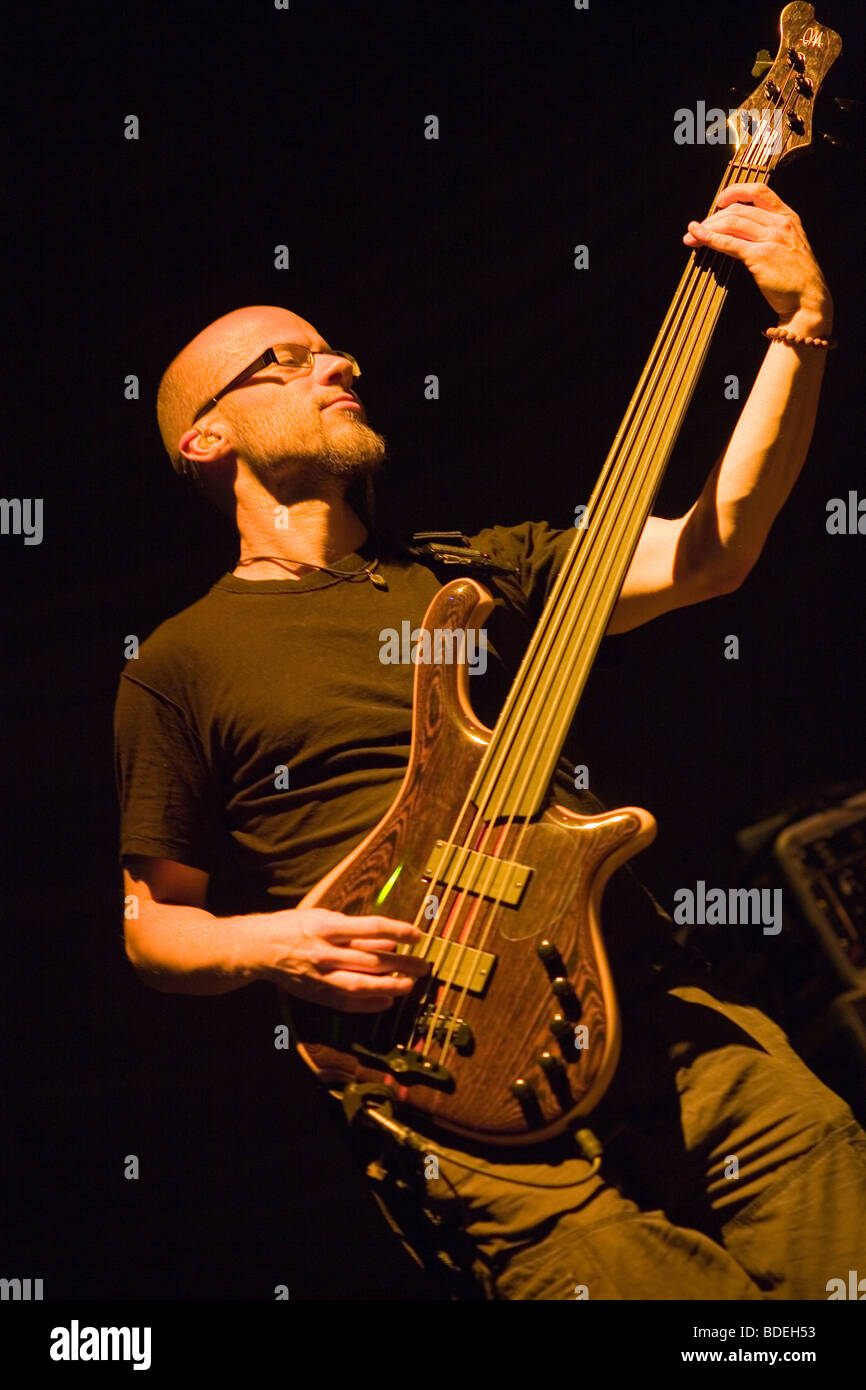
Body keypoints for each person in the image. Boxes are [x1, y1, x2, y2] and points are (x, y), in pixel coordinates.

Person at [114, 183, 866, 1300]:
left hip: (651, 1013)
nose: (338, 363)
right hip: (448, 1085)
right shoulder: (179, 660)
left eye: (334, 350)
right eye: (286, 359)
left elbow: (712, 549)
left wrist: (798, 329)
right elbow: (151, 922)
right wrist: (269, 945)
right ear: (206, 434)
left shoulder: (469, 570)